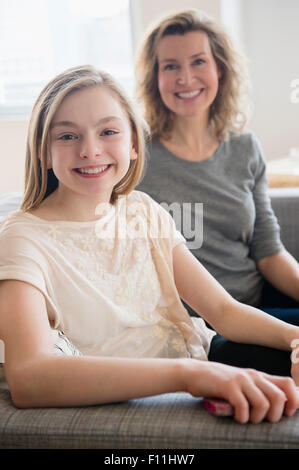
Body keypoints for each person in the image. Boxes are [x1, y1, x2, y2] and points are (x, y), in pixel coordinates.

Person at [0, 65, 298, 425]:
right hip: (158, 392)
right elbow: (29, 378)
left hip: (207, 357)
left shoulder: (142, 209)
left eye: (108, 131)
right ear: (43, 152)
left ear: (134, 145)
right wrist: (186, 374)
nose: (90, 150)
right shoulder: (21, 239)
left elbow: (223, 311)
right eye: (67, 137)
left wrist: (295, 339)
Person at [135, 10, 299, 327]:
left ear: (219, 69)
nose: (185, 78)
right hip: (194, 325)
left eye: (198, 61)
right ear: (154, 78)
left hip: (256, 304)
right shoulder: (135, 154)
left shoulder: (245, 147)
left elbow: (268, 252)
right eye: (171, 66)